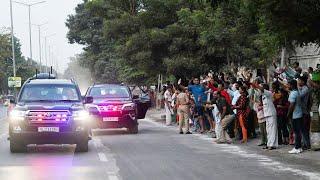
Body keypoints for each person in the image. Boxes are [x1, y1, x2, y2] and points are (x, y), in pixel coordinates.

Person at [287, 80, 304, 154]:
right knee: (298, 132)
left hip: (295, 115)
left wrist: (288, 114)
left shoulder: (293, 93)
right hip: (299, 114)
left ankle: (297, 147)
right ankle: (299, 147)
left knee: (296, 132)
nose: (288, 86)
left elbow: (292, 105)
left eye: (289, 85)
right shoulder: (297, 92)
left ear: (292, 85)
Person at [260, 83, 278, 150]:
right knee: (268, 130)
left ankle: (272, 145)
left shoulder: (269, 93)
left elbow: (261, 89)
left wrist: (256, 85)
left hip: (271, 113)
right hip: (267, 114)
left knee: (273, 129)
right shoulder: (263, 95)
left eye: (261, 87)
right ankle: (268, 144)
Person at [297, 75, 312, 150]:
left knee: (305, 129)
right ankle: (305, 144)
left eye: (299, 80)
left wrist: (298, 88)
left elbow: (299, 96)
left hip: (305, 111)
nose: (298, 82)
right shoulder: (302, 88)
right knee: (302, 129)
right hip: (301, 111)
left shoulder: (305, 88)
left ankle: (307, 144)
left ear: (303, 81)